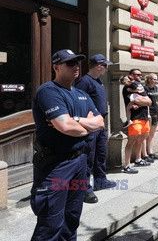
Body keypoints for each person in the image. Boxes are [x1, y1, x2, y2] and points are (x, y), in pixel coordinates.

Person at [30, 49, 104, 240]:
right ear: (56, 67)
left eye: (77, 63)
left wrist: (76, 119)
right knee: (50, 224)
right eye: (70, 63)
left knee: (71, 219)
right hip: (56, 166)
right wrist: (87, 127)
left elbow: (100, 122)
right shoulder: (48, 91)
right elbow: (65, 126)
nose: (76, 67)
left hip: (79, 163)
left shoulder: (81, 94)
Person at [75, 54, 116, 204]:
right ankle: (85, 189)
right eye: (105, 66)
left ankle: (100, 180)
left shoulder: (97, 81)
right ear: (99, 66)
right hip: (90, 126)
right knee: (88, 158)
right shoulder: (84, 82)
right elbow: (78, 104)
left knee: (100, 154)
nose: (106, 69)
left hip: (100, 125)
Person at [121, 69, 152, 173]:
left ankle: (138, 159)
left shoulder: (140, 86)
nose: (140, 76)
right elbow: (136, 100)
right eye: (137, 74)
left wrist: (143, 102)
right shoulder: (128, 87)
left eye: (141, 74)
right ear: (131, 75)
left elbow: (149, 101)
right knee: (132, 141)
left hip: (144, 117)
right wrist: (144, 102)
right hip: (135, 118)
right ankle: (127, 165)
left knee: (141, 139)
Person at [144, 73, 158, 161]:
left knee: (151, 134)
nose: (156, 81)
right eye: (154, 79)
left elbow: (156, 100)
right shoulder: (145, 88)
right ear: (149, 79)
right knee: (146, 134)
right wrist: (148, 113)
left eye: (156, 79)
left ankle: (150, 152)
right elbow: (145, 102)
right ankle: (145, 154)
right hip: (149, 113)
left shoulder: (156, 88)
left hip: (156, 112)